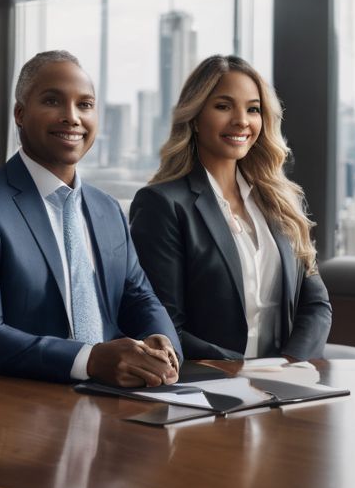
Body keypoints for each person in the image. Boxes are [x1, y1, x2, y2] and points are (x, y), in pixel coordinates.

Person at [0, 50, 181, 386]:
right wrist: (89, 361)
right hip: (29, 403)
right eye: (52, 101)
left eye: (85, 105)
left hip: (120, 397)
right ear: (20, 114)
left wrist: (160, 341)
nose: (72, 117)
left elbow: (139, 296)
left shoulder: (107, 209)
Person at [129, 55, 332, 361]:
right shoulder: (162, 205)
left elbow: (315, 305)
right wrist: (246, 373)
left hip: (284, 385)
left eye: (253, 109)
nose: (241, 120)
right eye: (223, 106)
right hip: (210, 388)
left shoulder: (281, 200)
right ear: (195, 118)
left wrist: (289, 366)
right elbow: (165, 326)